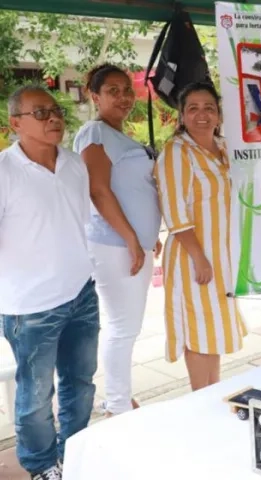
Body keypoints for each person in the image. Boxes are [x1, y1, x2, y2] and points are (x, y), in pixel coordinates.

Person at [0, 85, 99, 480]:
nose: (54, 118)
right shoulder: (4, 171)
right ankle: (41, 466)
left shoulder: (75, 164)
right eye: (40, 113)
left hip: (81, 293)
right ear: (15, 123)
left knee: (81, 382)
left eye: (56, 110)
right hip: (31, 306)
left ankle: (75, 453)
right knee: (36, 397)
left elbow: (79, 222)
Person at [73, 64, 162, 418]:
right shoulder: (94, 133)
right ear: (94, 96)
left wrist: (146, 237)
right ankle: (117, 403)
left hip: (131, 244)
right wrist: (131, 239)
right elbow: (98, 191)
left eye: (127, 90)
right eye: (113, 90)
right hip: (114, 245)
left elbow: (135, 191)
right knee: (124, 326)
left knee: (127, 325)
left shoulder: (119, 135)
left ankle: (119, 397)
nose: (124, 97)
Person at [154, 82, 248, 391]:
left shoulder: (223, 148)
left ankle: (214, 391)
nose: (202, 115)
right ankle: (201, 397)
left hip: (222, 255)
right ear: (181, 115)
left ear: (219, 114)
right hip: (193, 255)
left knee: (215, 325)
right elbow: (174, 211)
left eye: (208, 107)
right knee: (197, 327)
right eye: (192, 108)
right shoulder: (176, 152)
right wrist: (199, 258)